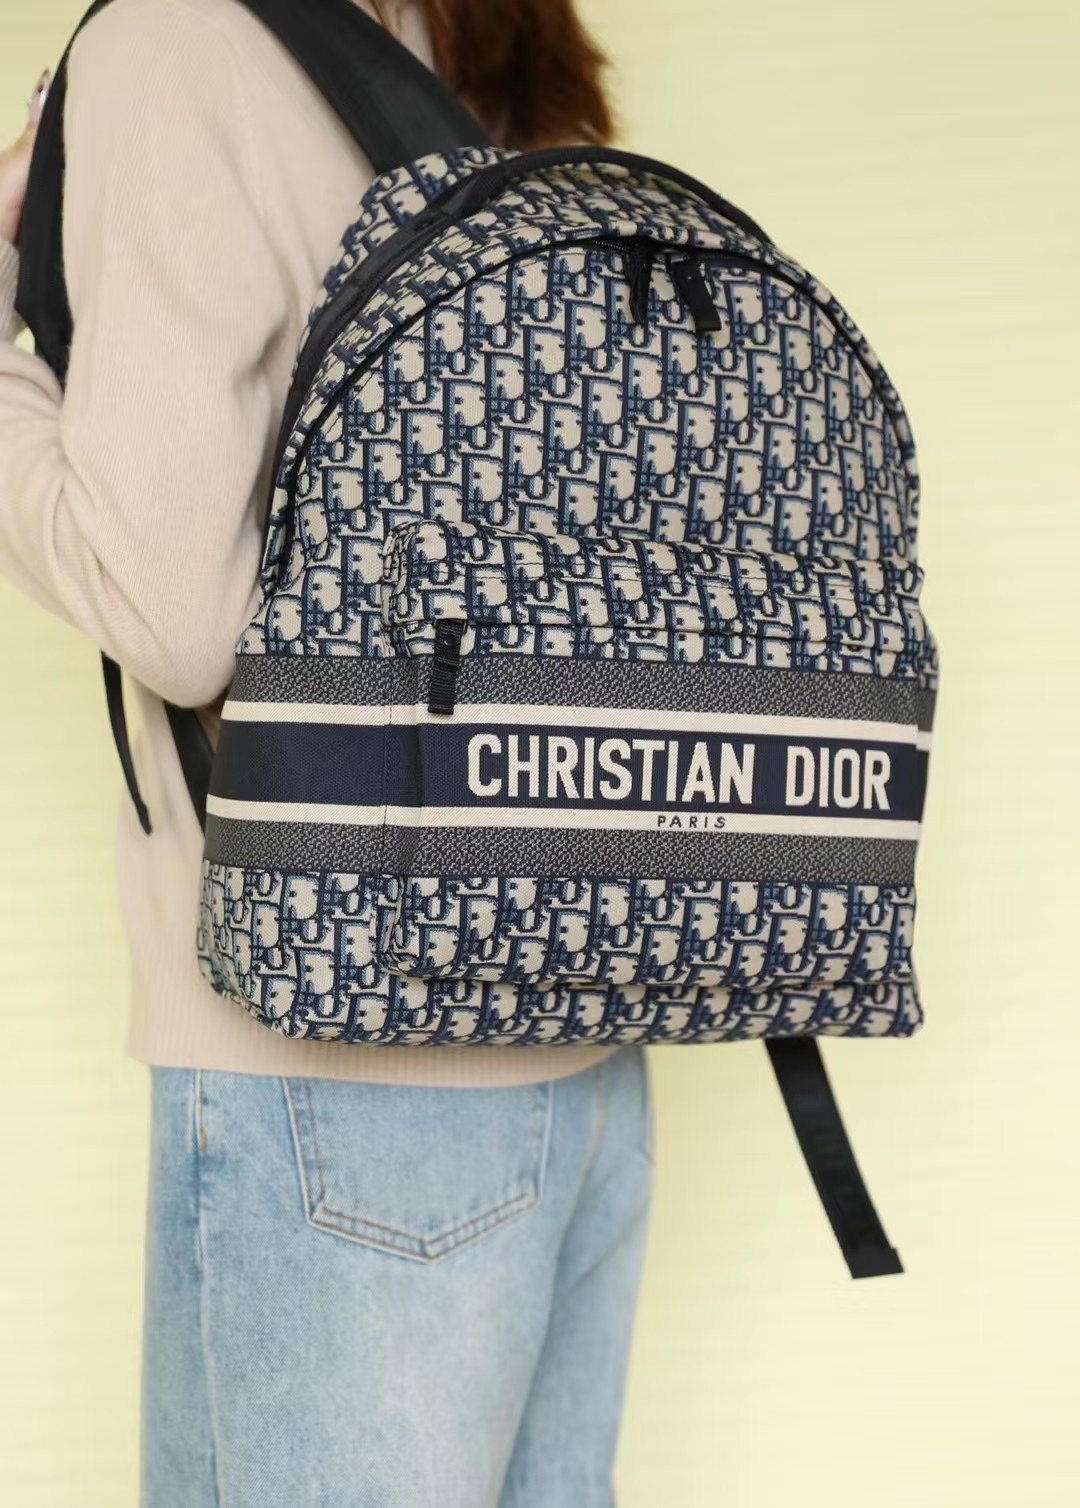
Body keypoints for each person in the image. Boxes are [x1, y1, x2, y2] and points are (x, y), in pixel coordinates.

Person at [0, 3, 653, 1503]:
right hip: (588, 1039)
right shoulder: (478, 45)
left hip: (334, 1063)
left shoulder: (180, 38)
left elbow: (175, 618)